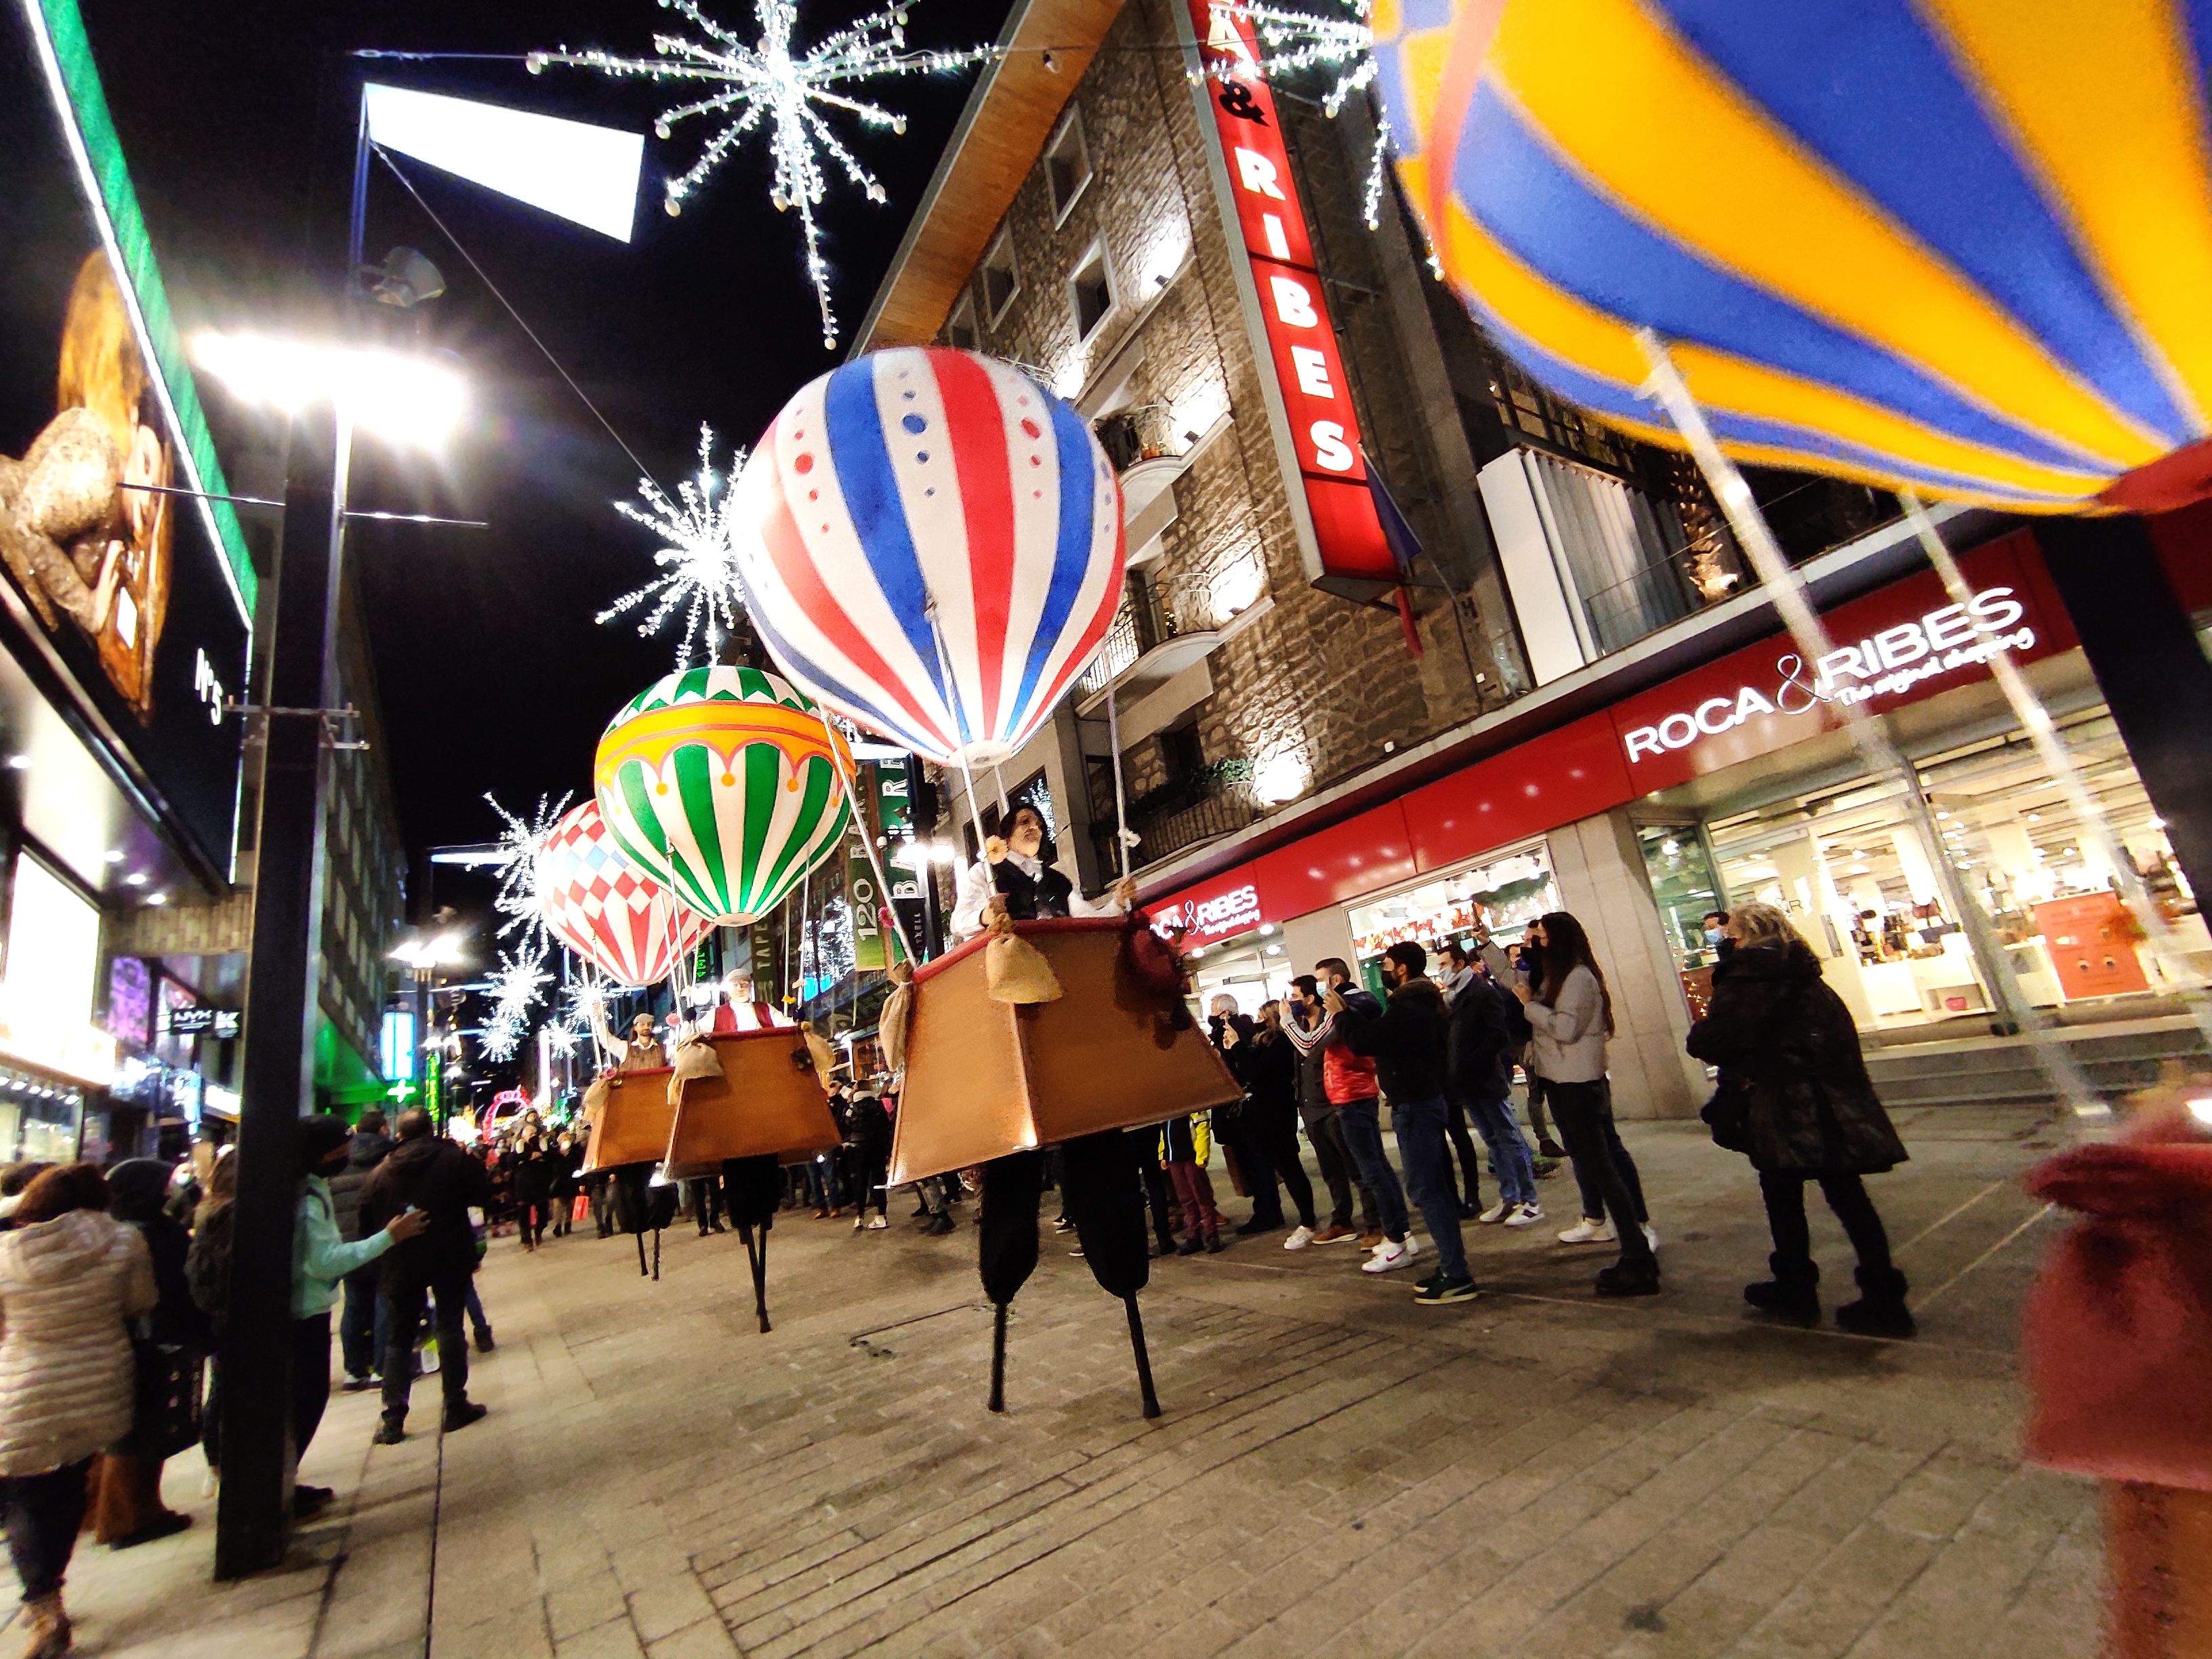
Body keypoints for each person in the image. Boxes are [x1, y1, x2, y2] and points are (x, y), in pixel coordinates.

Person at [1687, 903, 1914, 1336]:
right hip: (1828, 1104)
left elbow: (1720, 1040)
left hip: (1780, 1102)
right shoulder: (1806, 976)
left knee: (1782, 1194)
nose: (1723, 938)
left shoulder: (1750, 977)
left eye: (1728, 931)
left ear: (1743, 935)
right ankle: (1883, 1293)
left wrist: (1699, 1036)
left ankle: (1796, 1286)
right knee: (1847, 1195)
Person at [0, 1165, 154, 1656]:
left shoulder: (6, 1252)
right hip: (98, 1379)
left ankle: (44, 1605)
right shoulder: (125, 1241)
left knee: (22, 1491)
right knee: (65, 1487)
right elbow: (141, 1301)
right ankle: (48, 1592)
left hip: (22, 1383)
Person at [1514, 913, 1660, 1297]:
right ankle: (1624, 1241)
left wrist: (1529, 1006)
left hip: (1579, 1085)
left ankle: (1637, 1252)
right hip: (1564, 1083)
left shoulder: (1578, 978)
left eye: (1542, 938)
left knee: (1602, 1165)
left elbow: (1565, 1028)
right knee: (1594, 1164)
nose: (1536, 945)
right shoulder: (1557, 976)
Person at [1332, 943, 1475, 1304]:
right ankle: (1451, 1267)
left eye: (1387, 964)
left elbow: (1368, 1041)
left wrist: (1343, 1015)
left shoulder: (1409, 1007)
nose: (1383, 969)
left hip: (1417, 1105)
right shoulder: (1421, 1003)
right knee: (1430, 1186)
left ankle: (1456, 1273)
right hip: (1420, 1102)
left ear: (1402, 969)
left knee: (1427, 1189)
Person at [295, 1117, 427, 1505]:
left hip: (321, 1298)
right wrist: (389, 1237)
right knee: (303, 1402)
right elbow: (322, 1261)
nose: (347, 1153)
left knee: (309, 1398)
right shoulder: (304, 1200)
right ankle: (279, 1489)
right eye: (341, 1147)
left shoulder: (314, 1186)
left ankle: (284, 1481)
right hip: (304, 1312)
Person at [87, 1160, 204, 1547]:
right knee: (137, 1432)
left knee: (139, 1431)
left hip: (143, 1338)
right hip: (147, 1339)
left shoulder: (127, 1228)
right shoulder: (138, 1233)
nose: (170, 1190)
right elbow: (147, 1295)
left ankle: (128, 1512)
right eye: (164, 1184)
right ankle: (125, 1518)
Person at [360, 1110, 491, 1446]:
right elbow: (482, 1192)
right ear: (430, 1130)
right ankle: (455, 1404)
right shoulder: (452, 1158)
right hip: (449, 1255)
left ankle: (393, 1416)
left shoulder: (381, 1172)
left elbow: (366, 1222)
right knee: (449, 1327)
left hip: (401, 1261)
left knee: (399, 1337)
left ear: (400, 1134)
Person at [1310, 958, 1416, 1273]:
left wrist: (1295, 1020)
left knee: (1372, 1170)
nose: (1320, 989)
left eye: (1322, 981)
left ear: (1337, 979)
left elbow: (1312, 1045)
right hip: (1351, 1094)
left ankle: (1396, 1237)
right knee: (1376, 1167)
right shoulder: (1353, 1004)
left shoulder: (1352, 1003)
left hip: (1354, 1094)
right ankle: (1400, 1233)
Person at [1439, 943, 1544, 1228]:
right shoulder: (1453, 999)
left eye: (1444, 964)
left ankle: (1529, 1200)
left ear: (1460, 964)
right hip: (1468, 1083)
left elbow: (1498, 1035)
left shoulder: (1483, 993)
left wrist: (1474, 1062)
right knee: (1493, 1141)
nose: (1441, 971)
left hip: (1487, 1079)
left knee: (1508, 1137)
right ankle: (1510, 1196)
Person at [949, 801, 1136, 937]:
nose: (1034, 828)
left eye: (1039, 825)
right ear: (1007, 836)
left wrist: (1117, 903)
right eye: (1024, 822)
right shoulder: (986, 873)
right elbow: (958, 923)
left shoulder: (1058, 880)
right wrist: (984, 917)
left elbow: (1088, 919)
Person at [1282, 979, 1368, 1246]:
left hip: (1334, 1104)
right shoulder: (1302, 1026)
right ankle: (1342, 1220)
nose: (1291, 1002)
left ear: (1309, 999)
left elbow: (1310, 1046)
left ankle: (1378, 1223)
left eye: (1296, 996)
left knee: (1356, 1167)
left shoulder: (1328, 1022)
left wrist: (1287, 1022)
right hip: (1312, 1107)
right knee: (1331, 1171)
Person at [329, 1110, 392, 1391]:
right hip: (380, 1239)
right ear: (381, 1129)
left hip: (347, 1243)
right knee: (384, 1300)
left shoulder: (339, 1159)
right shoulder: (388, 1156)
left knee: (354, 1305)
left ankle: (354, 1372)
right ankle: (381, 1367)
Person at [1159, 1113, 1223, 1254]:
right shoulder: (1166, 1110)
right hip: (1174, 1161)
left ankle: (1211, 1234)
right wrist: (1163, 1154)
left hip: (1191, 1159)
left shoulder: (1191, 1107)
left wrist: (1202, 1155)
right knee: (1186, 1199)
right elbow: (1164, 1133)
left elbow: (1202, 1128)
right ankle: (1194, 1236)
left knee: (1202, 1197)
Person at [842, 1085, 893, 1231]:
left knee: (860, 1182)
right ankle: (881, 1216)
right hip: (877, 1149)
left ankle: (860, 1216)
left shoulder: (852, 1108)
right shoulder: (878, 1106)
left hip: (858, 1150)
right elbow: (885, 1128)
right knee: (878, 1183)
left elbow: (845, 1125)